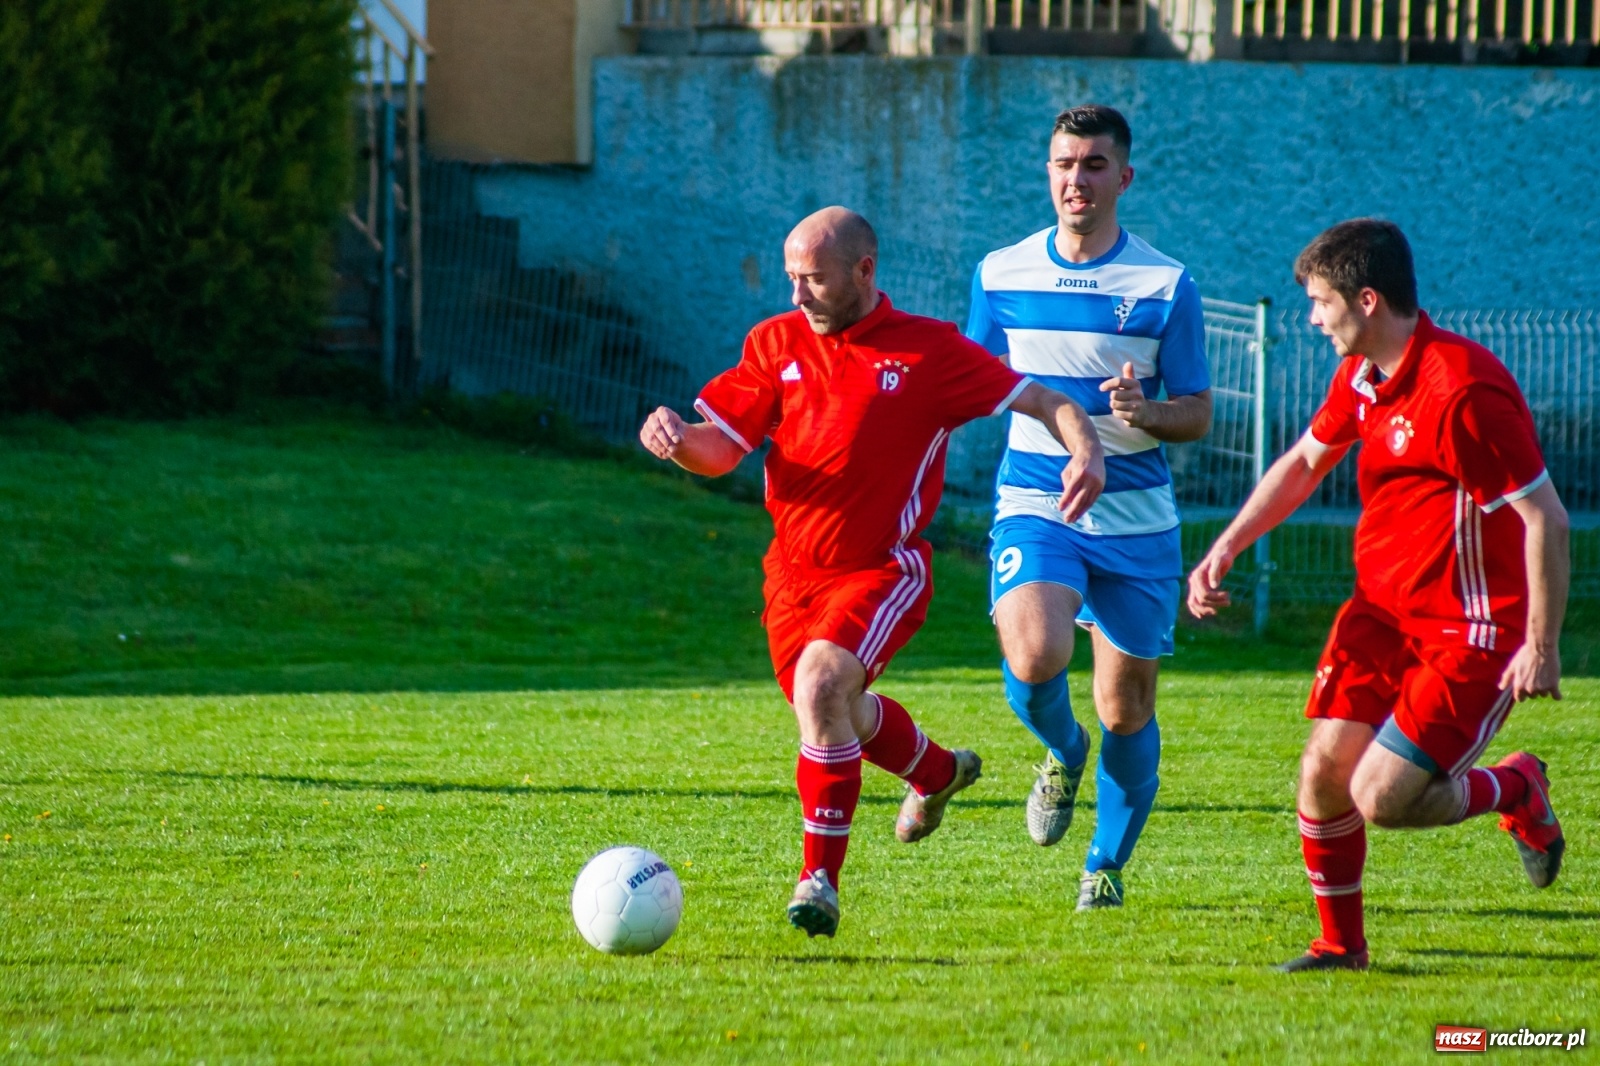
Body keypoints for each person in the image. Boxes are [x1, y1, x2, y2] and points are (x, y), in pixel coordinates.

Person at [639, 206, 1107, 938]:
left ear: (863, 271)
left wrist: (1085, 449)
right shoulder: (774, 342)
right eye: (792, 278)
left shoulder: (929, 352)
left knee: (823, 685)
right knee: (838, 715)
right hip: (791, 580)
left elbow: (1044, 400)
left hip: (882, 570)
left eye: (814, 280)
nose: (798, 296)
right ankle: (937, 772)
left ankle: (818, 880)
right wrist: (676, 441)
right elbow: (721, 450)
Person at [1188, 218, 1569, 972]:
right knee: (1323, 773)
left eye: (1320, 301)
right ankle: (1340, 947)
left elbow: (1547, 517)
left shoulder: (1461, 390)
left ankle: (1515, 786)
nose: (1311, 318)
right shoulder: (1362, 378)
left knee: (1385, 798)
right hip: (1379, 616)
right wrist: (1227, 545)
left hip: (1470, 631)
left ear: (1366, 300)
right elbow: (1303, 463)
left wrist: (1543, 645)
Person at [966, 105, 1213, 911]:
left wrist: (1145, 414)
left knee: (1126, 702)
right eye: (1065, 163)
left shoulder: (1164, 284)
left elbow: (1200, 411)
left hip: (1138, 518)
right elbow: (976, 382)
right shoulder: (1001, 273)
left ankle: (1104, 866)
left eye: (1095, 164)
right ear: (1049, 172)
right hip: (1037, 499)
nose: (1077, 179)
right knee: (1035, 657)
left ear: (1123, 178)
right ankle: (1063, 752)